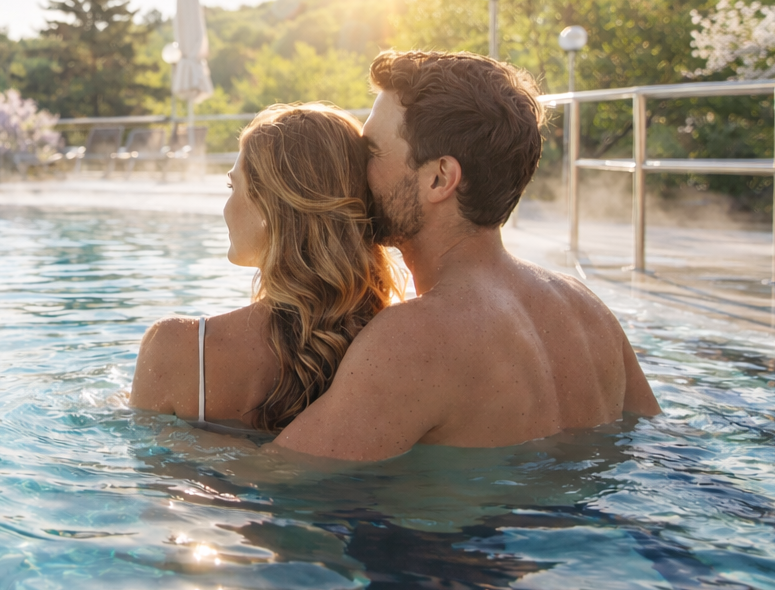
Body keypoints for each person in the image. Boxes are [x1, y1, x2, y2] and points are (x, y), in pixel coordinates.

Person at [274, 50, 660, 461]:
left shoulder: (412, 339)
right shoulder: (588, 310)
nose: (355, 171)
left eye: (370, 153)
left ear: (440, 178)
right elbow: (654, 440)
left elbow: (276, 481)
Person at [130, 103, 403, 432]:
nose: (226, 207)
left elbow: (150, 472)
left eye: (233, 187)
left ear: (269, 209)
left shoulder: (177, 350)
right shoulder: (393, 348)